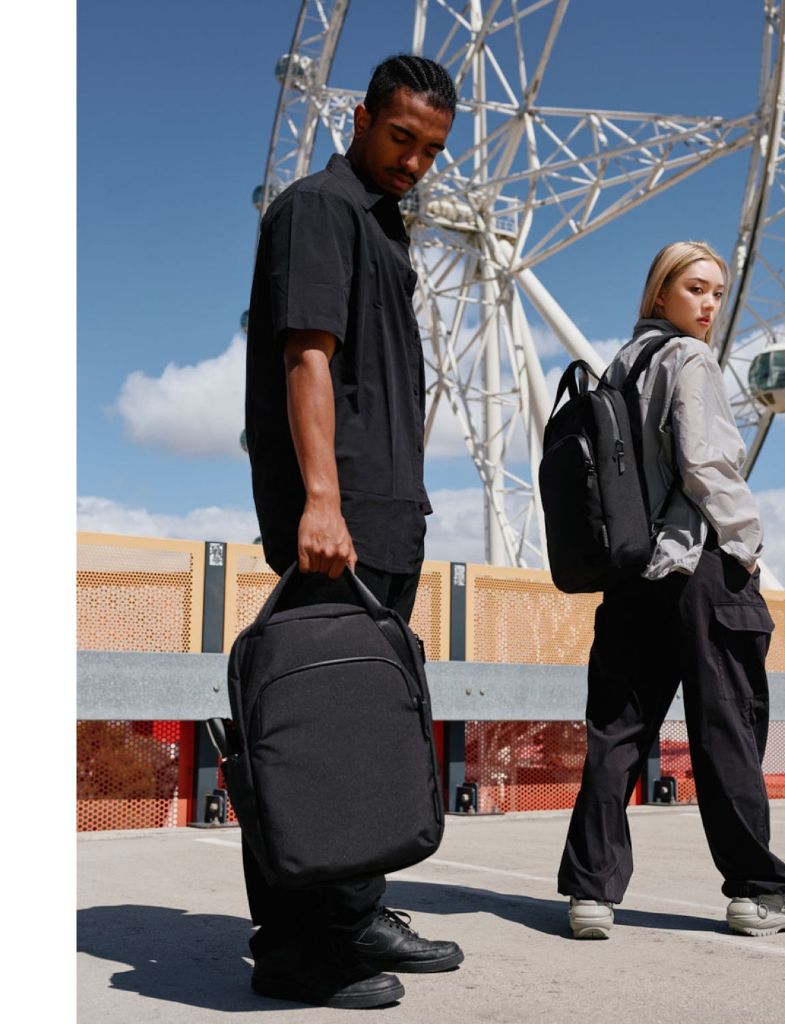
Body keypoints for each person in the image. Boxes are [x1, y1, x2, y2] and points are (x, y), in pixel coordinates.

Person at [243, 54, 463, 1010]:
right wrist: (322, 501)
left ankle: (355, 913)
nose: (414, 161)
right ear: (362, 118)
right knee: (317, 731)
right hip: (341, 513)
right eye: (400, 137)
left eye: (431, 150)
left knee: (365, 725)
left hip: (386, 506)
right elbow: (307, 356)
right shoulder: (319, 209)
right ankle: (296, 947)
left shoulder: (381, 224)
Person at [556, 240, 785, 940]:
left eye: (717, 293)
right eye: (695, 288)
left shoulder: (619, 366)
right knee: (726, 727)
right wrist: (746, 544)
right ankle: (758, 891)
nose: (709, 305)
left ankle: (589, 893)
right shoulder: (691, 360)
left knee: (616, 733)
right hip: (698, 567)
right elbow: (705, 463)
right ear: (660, 291)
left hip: (630, 575)